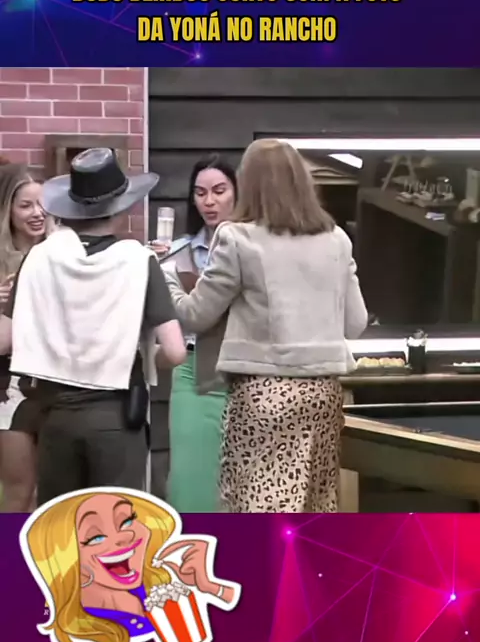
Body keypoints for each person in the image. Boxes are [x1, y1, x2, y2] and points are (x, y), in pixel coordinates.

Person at [164, 139, 369, 514]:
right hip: (324, 396)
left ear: (248, 185)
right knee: (313, 509)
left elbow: (195, 315)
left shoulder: (237, 238)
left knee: (258, 509)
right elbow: (355, 324)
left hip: (263, 393)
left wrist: (168, 281)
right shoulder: (337, 239)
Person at [0, 148, 187, 505]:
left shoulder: (38, 257)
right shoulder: (139, 260)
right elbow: (176, 351)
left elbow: (4, 339)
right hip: (117, 418)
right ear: (121, 208)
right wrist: (140, 355)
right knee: (116, 523)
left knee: (61, 523)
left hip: (55, 418)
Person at [20, 489, 240, 642]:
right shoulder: (78, 638)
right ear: (67, 562)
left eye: (126, 521)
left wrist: (211, 588)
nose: (123, 536)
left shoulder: (160, 587)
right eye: (96, 537)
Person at [157, 154, 237, 513]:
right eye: (201, 193)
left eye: (219, 191)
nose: (209, 201)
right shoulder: (178, 252)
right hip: (191, 367)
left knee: (240, 482)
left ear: (236, 193)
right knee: (191, 476)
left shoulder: (256, 247)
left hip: (243, 370)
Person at [0, 164, 46, 512]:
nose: (37, 213)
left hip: (52, 383)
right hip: (7, 384)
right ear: (8, 211)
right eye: (26, 205)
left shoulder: (59, 254)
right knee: (19, 492)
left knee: (49, 496)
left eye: (42, 204)